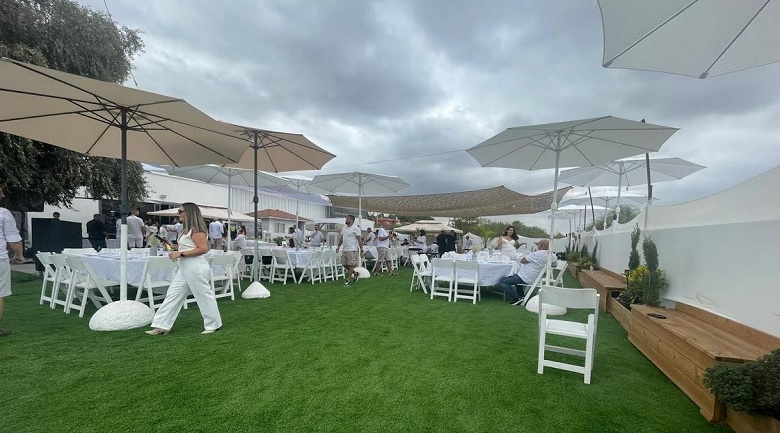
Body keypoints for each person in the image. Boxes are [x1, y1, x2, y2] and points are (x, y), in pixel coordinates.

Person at [146, 202, 222, 335]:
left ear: (189, 213)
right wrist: (174, 247)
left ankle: (213, 324)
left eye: (181, 211)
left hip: (195, 267)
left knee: (203, 296)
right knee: (173, 295)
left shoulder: (197, 229)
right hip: (185, 267)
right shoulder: (186, 230)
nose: (178, 214)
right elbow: (188, 247)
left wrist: (180, 253)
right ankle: (161, 325)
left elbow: (203, 249)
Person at [498, 239, 556, 306]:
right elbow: (554, 265)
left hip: (526, 277)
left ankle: (516, 298)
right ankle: (521, 296)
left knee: (503, 281)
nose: (537, 245)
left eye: (538, 244)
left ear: (541, 245)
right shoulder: (552, 256)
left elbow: (523, 261)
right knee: (516, 277)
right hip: (537, 278)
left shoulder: (536, 254)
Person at [1, 186, 25, 337]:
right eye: (0, 192)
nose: (3, 195)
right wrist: (19, 255)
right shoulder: (3, 213)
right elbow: (13, 239)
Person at [336, 215, 363, 287]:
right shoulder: (344, 228)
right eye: (346, 218)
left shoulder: (355, 228)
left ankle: (347, 280)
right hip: (345, 249)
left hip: (352, 249)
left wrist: (361, 250)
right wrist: (338, 246)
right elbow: (342, 238)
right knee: (344, 264)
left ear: (352, 220)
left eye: (347, 219)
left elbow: (359, 240)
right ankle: (355, 273)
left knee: (350, 265)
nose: (346, 220)